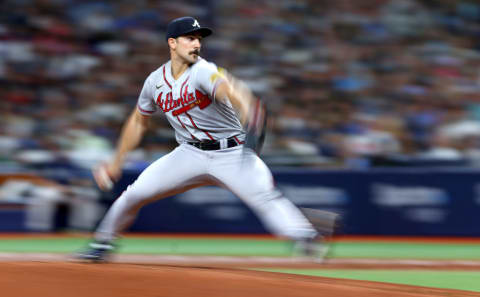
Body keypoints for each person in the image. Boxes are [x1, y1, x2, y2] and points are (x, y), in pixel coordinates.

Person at [76, 16, 334, 262]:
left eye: (199, 38)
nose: (197, 43)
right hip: (189, 154)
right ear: (172, 43)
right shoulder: (155, 81)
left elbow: (233, 91)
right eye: (189, 38)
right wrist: (116, 162)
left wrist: (249, 110)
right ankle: (102, 242)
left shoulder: (203, 71)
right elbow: (137, 121)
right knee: (134, 194)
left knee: (264, 197)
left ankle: (307, 237)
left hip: (231, 153)